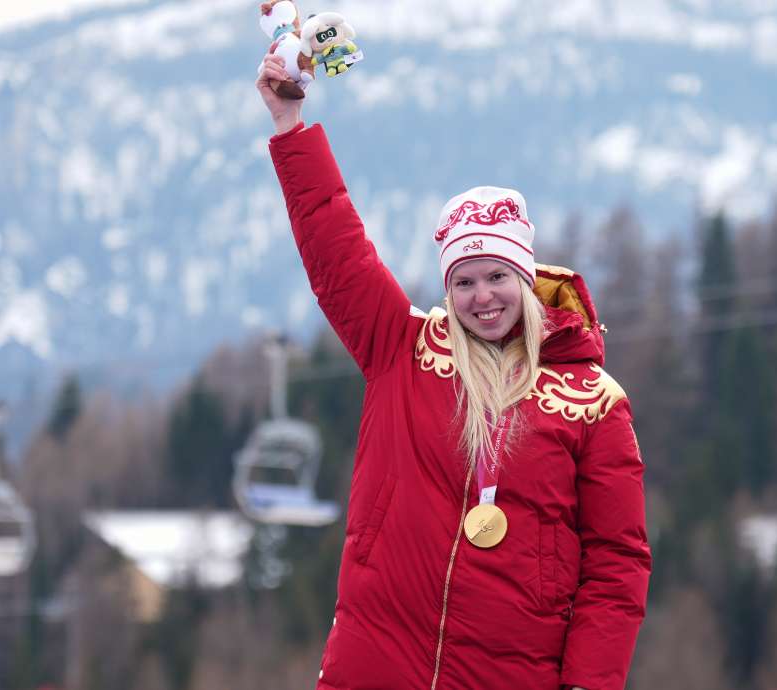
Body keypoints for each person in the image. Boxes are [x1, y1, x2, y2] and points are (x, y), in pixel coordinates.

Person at [258, 54, 650, 690]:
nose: (482, 296)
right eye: (463, 281)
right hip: (377, 663)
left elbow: (618, 561)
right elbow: (335, 245)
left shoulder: (593, 402)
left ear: (528, 280)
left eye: (497, 276)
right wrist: (291, 126)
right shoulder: (403, 348)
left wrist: (589, 682)